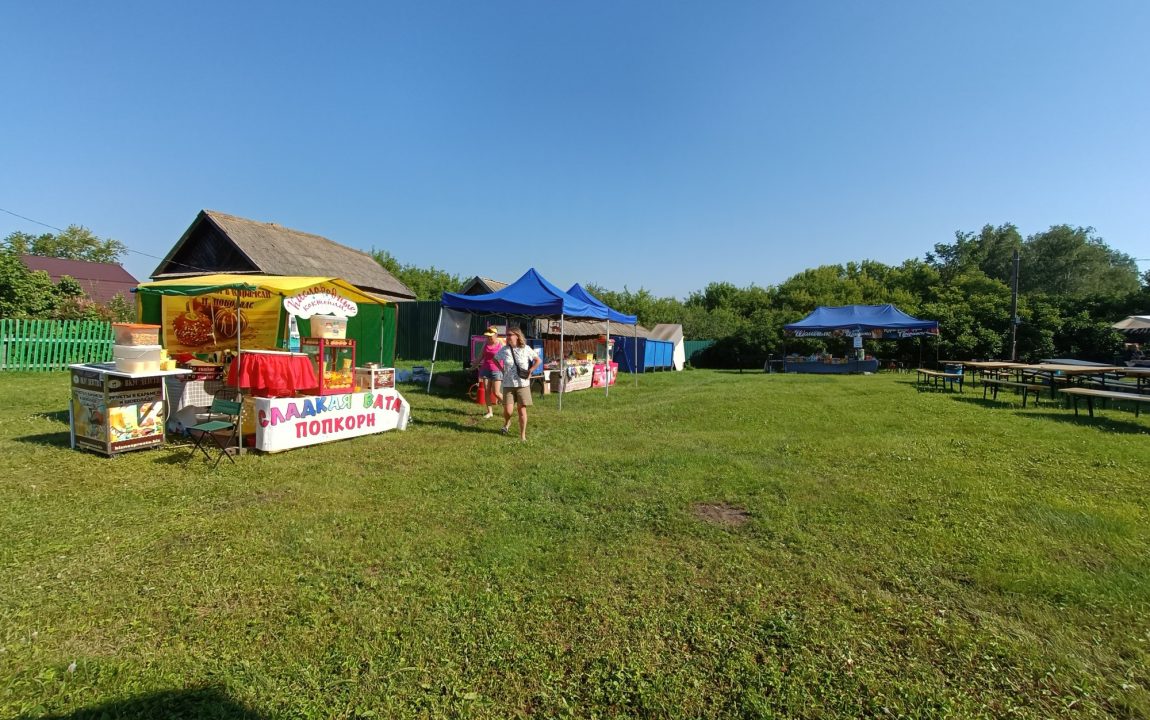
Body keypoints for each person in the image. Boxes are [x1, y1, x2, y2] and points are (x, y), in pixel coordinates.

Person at [495, 327, 540, 441]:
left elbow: (538, 360)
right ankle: (507, 422)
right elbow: (495, 359)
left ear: (517, 336)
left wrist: (531, 370)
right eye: (507, 335)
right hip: (508, 384)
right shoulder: (504, 350)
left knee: (522, 410)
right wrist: (501, 369)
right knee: (508, 411)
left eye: (510, 335)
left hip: (522, 384)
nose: (508, 337)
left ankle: (522, 436)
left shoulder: (526, 349)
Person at [477, 326, 504, 418]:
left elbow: (506, 358)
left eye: (491, 336)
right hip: (485, 370)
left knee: (496, 392)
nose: (489, 338)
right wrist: (473, 367)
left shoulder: (501, 345)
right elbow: (480, 356)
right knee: (487, 392)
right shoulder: (485, 344)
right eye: (488, 336)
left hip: (497, 370)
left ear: (496, 335)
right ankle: (490, 412)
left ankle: (508, 406)